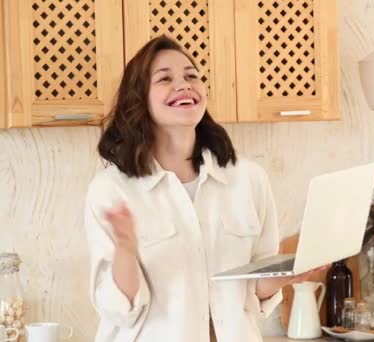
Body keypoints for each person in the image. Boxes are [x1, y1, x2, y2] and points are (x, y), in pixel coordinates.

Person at [84, 35, 322, 342]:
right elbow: (121, 309)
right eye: (165, 78)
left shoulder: (248, 179)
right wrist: (126, 250)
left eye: (191, 76)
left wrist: (286, 276)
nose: (184, 85)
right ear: (139, 98)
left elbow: (255, 290)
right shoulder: (112, 190)